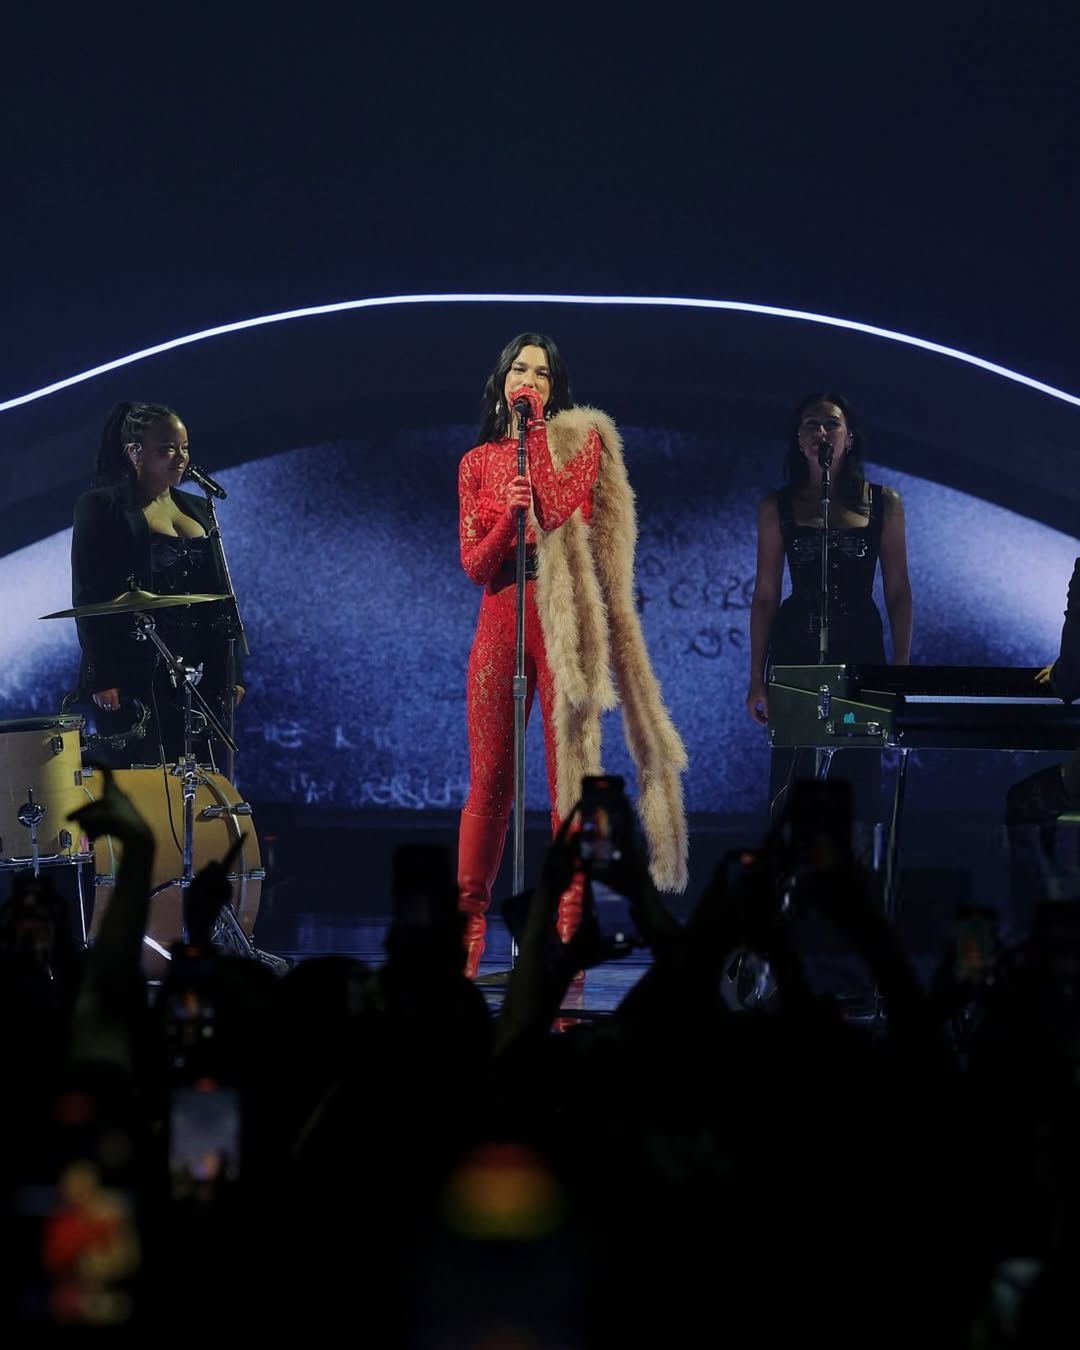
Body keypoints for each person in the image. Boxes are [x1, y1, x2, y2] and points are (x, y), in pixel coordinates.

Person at [456, 332, 688, 976]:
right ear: (502, 381)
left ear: (554, 388)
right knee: (490, 780)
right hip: (501, 622)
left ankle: (566, 926)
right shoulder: (476, 462)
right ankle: (468, 928)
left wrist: (535, 439)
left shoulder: (581, 442)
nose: (528, 381)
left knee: (570, 780)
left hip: (565, 623)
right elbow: (474, 564)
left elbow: (557, 510)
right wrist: (506, 524)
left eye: (541, 373)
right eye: (518, 370)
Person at [745, 392, 913, 830]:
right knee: (795, 775)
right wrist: (756, 677)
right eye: (811, 424)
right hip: (796, 643)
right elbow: (765, 595)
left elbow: (898, 590)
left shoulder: (884, 502)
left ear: (849, 437)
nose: (822, 431)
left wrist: (901, 667)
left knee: (856, 769)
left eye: (832, 423)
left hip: (860, 644)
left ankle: (852, 864)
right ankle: (791, 865)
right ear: (799, 440)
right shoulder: (777, 507)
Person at [70, 401, 244, 766]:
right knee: (144, 773)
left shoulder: (199, 508)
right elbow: (88, 596)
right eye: (167, 448)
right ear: (135, 451)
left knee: (203, 772)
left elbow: (219, 597)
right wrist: (103, 676)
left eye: (184, 448)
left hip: (198, 667)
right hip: (137, 667)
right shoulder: (102, 506)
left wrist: (232, 672)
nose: (180, 458)